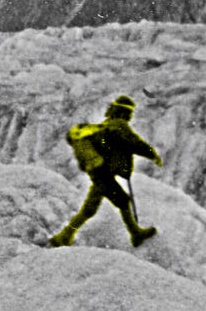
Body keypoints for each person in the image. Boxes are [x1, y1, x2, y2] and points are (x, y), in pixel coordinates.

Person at [49, 95, 163, 248]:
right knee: (122, 201)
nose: (130, 117)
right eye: (129, 113)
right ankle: (135, 233)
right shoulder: (118, 125)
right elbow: (133, 141)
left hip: (99, 171)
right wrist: (151, 153)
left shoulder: (105, 126)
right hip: (103, 173)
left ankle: (64, 236)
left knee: (90, 208)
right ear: (123, 113)